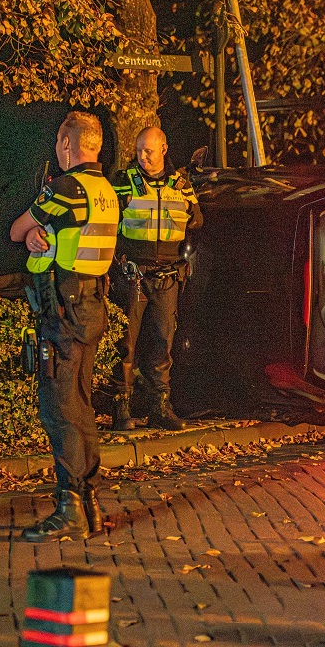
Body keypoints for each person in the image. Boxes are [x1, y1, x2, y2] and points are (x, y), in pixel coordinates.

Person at [10, 111, 119, 542]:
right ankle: (87, 503)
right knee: (81, 405)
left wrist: (33, 233)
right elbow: (66, 234)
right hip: (90, 305)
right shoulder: (105, 190)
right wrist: (44, 235)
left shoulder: (66, 187)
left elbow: (17, 229)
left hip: (63, 311)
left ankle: (69, 507)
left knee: (60, 409)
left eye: (59, 142)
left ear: (67, 144)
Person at [108, 127, 202, 431]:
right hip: (132, 274)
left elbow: (197, 218)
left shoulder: (181, 184)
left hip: (168, 275)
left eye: (149, 150)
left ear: (163, 149)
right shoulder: (123, 182)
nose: (143, 156)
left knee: (163, 343)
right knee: (126, 343)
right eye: (139, 150)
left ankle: (159, 406)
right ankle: (120, 407)